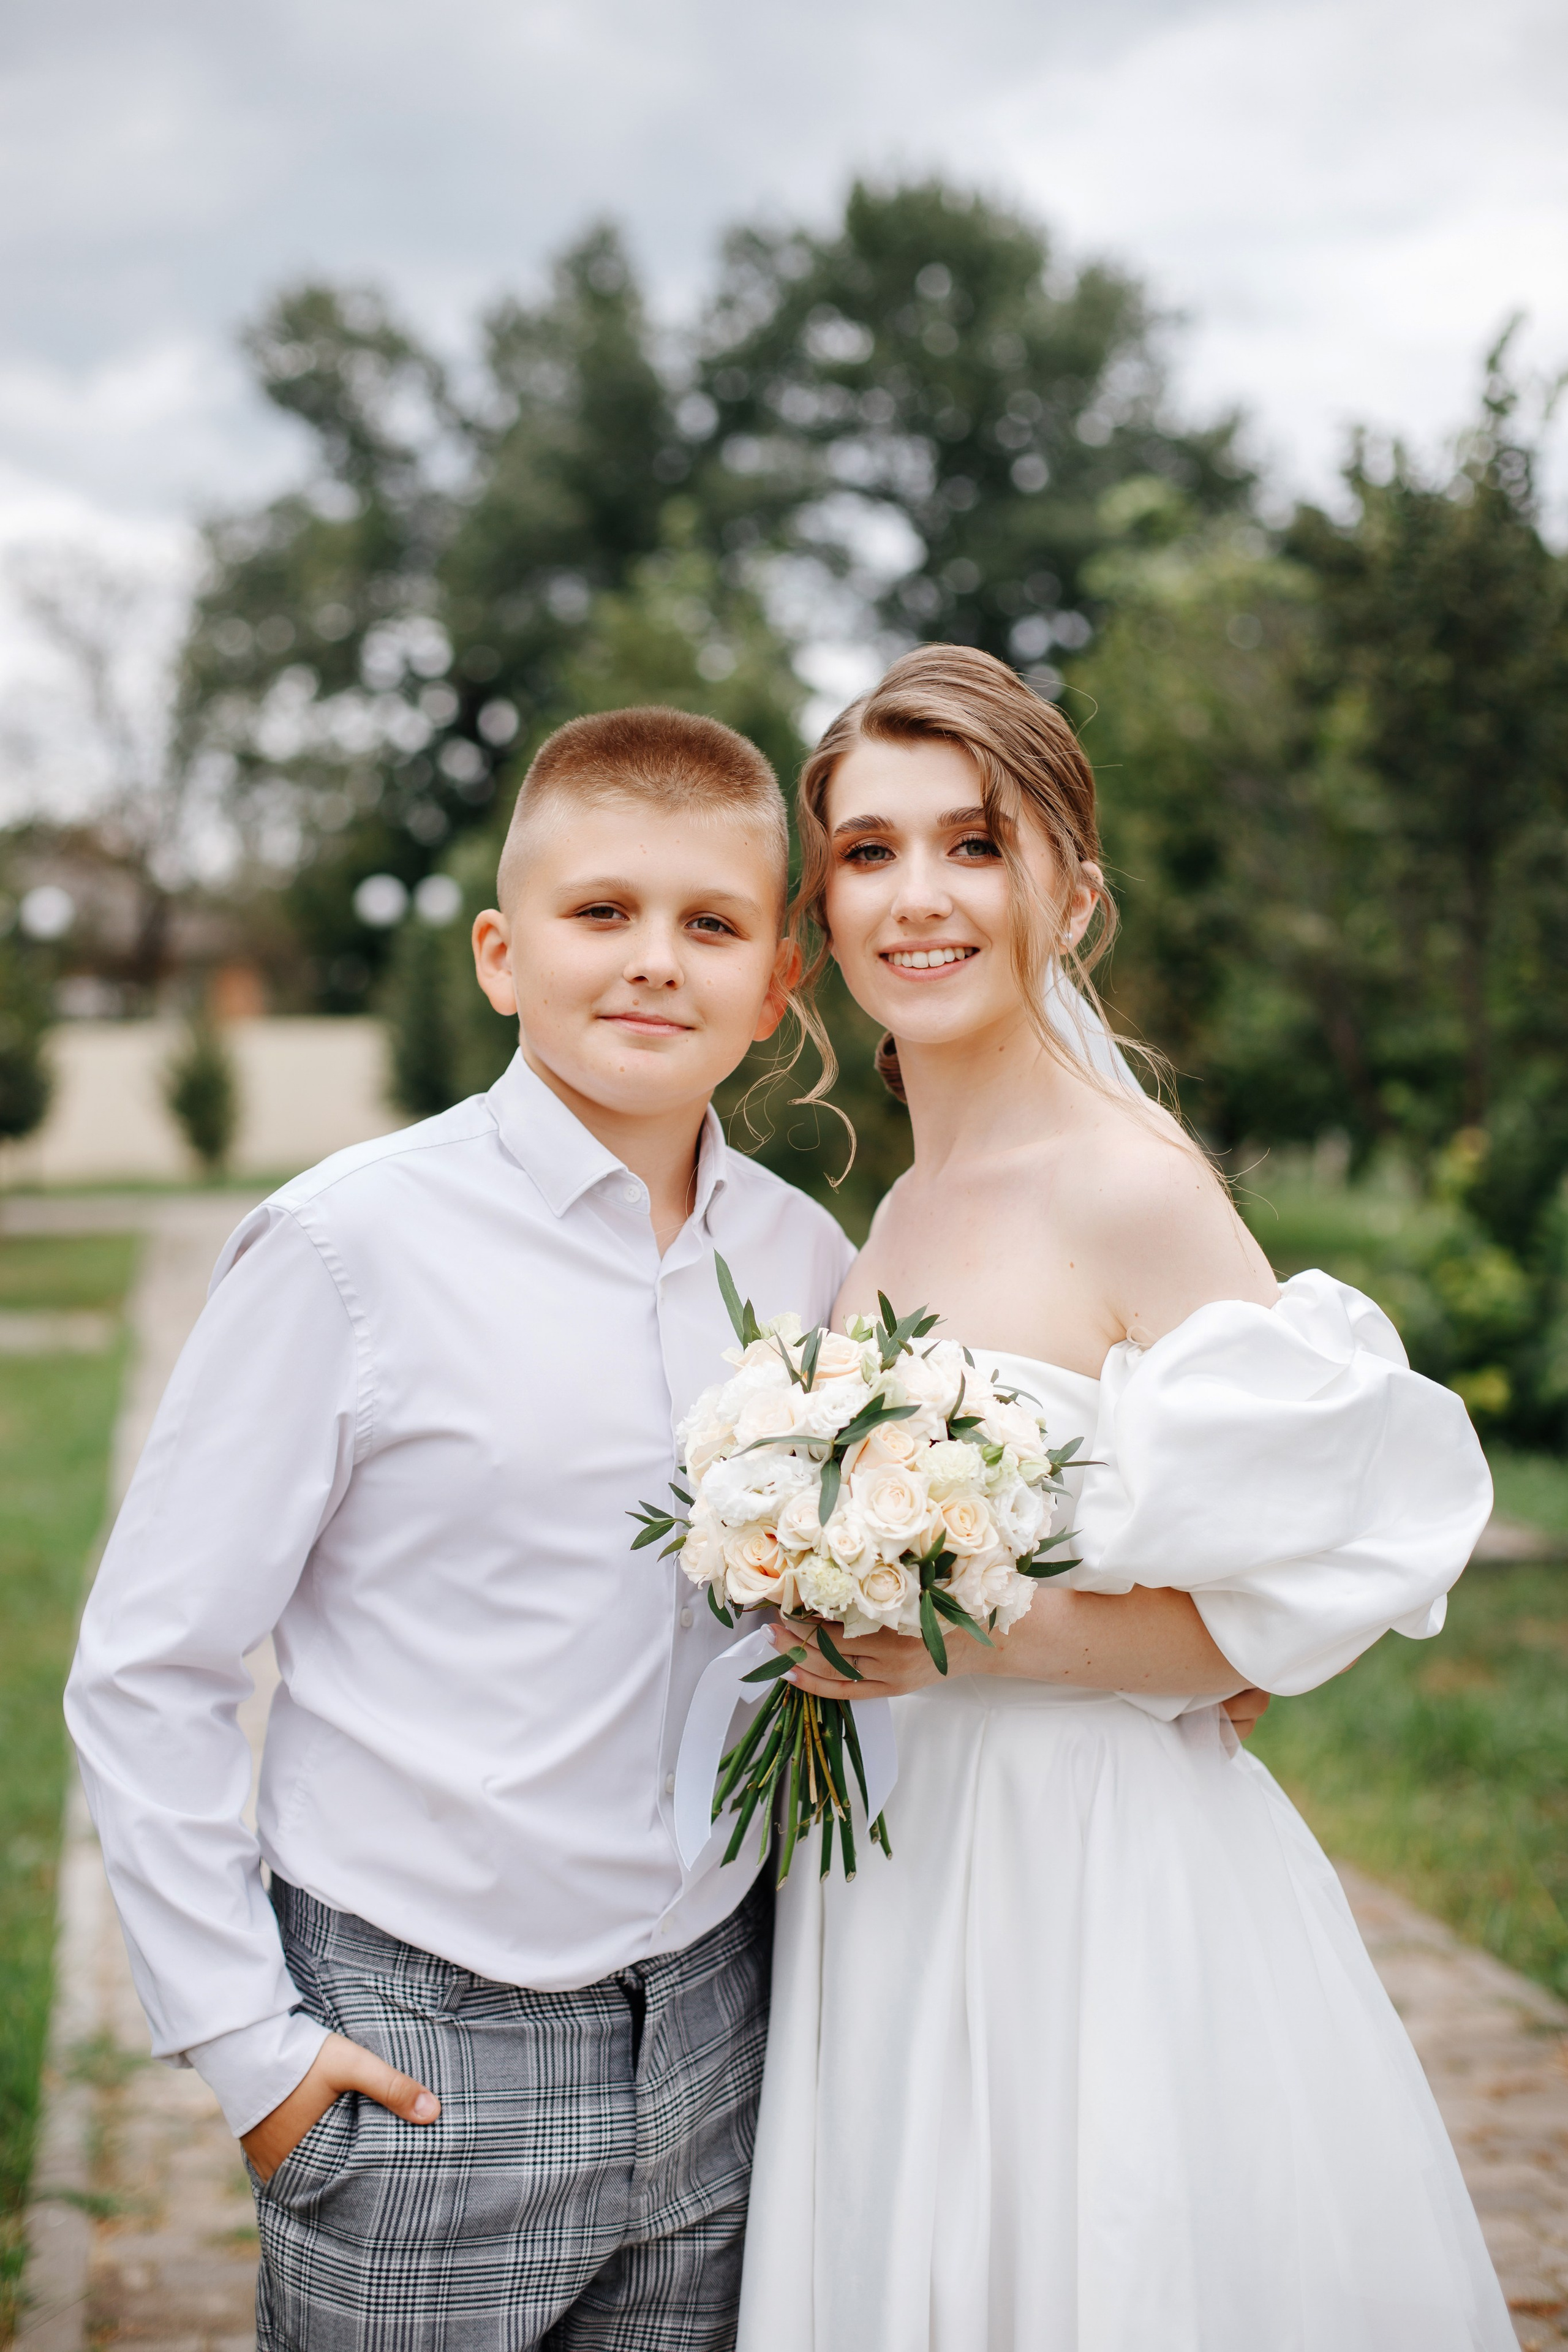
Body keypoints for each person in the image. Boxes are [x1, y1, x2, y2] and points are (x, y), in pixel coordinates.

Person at [735, 646, 1514, 2351]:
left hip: (1081, 1884)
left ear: (1070, 895)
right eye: (868, 852)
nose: (916, 898)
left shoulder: (1127, 1187)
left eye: (974, 844)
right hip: (902, 1860)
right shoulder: (902, 1213)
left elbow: (1265, 1619)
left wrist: (958, 1656)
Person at [66, 707, 859, 2352]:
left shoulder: (804, 1264)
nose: (655, 962)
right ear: (501, 955)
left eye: (710, 925)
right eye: (601, 914)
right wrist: (250, 2055)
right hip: (420, 2049)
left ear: (776, 985)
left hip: (721, 2021)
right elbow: (155, 1662)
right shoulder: (350, 1248)